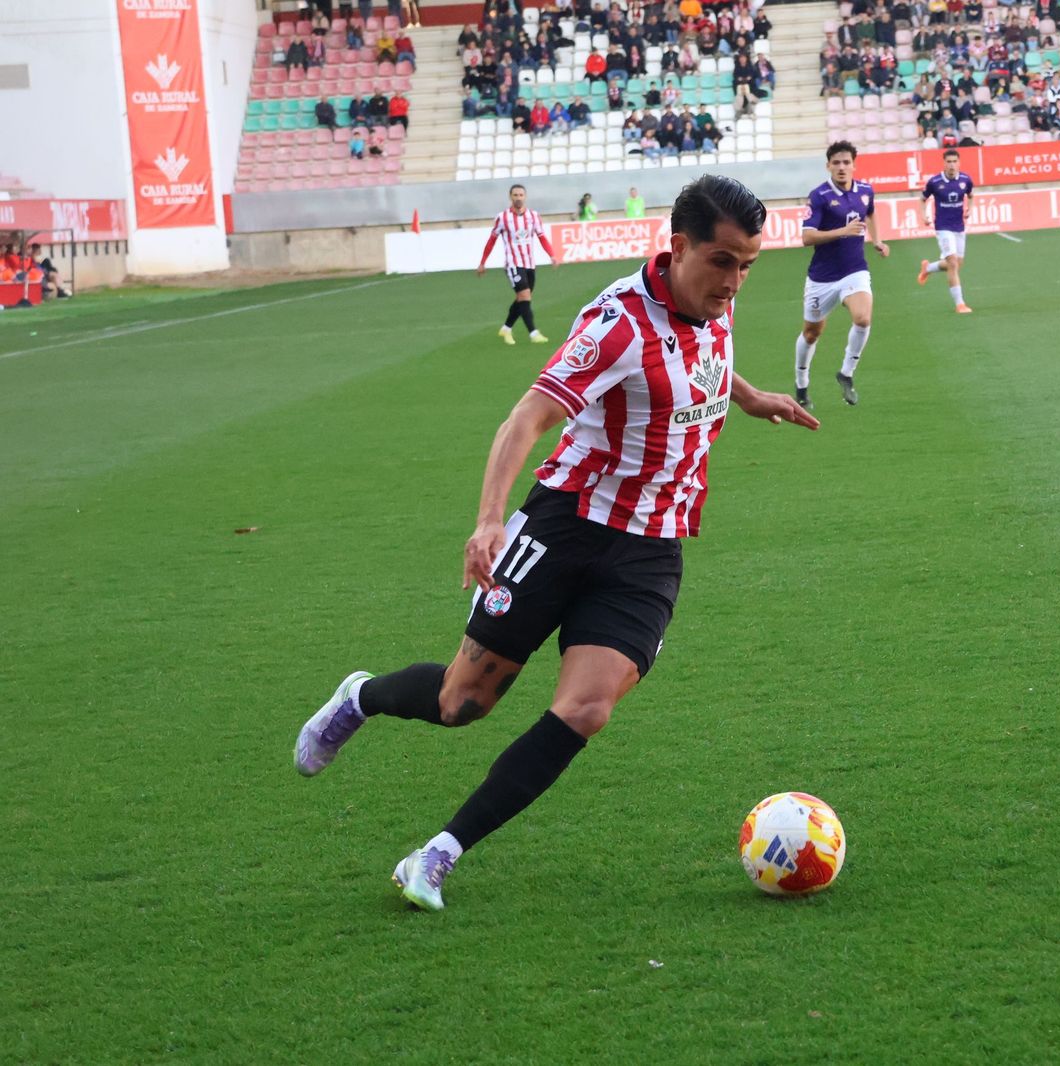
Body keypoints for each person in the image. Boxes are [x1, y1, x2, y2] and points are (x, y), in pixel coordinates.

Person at [293, 177, 819, 912]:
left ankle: (436, 855)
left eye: (748, 266)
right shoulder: (614, 324)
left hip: (649, 552)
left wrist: (749, 394)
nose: (735, 282)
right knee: (462, 703)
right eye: (723, 262)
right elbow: (525, 421)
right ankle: (360, 697)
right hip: (564, 526)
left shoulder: (711, 301)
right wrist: (488, 519)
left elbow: (700, 357)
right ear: (678, 248)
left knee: (586, 708)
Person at [793, 140, 889, 410]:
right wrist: (842, 232)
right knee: (812, 333)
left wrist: (877, 240)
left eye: (846, 162)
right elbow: (806, 237)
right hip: (822, 278)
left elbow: (870, 213)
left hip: (854, 270)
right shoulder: (819, 196)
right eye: (836, 162)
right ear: (828, 166)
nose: (842, 167)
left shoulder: (866, 191)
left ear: (854, 165)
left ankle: (846, 373)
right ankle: (801, 383)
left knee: (863, 318)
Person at [477, 184, 559, 345]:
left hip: (529, 264)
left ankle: (506, 329)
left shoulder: (534, 216)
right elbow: (491, 240)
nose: (518, 198)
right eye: (515, 195)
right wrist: (482, 262)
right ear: (510, 197)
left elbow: (541, 236)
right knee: (524, 295)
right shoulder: (502, 217)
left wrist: (552, 255)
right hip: (513, 263)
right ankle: (533, 333)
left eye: (521, 195)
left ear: (525, 197)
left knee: (522, 298)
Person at [915, 149, 975, 313]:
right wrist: (923, 215)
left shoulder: (965, 180)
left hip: (959, 227)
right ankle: (960, 304)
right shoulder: (934, 182)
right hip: (943, 227)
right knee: (953, 263)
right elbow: (922, 199)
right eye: (948, 162)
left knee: (956, 263)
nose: (952, 165)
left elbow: (970, 196)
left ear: (959, 162)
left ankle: (928, 268)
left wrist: (969, 210)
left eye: (954, 161)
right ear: (944, 163)